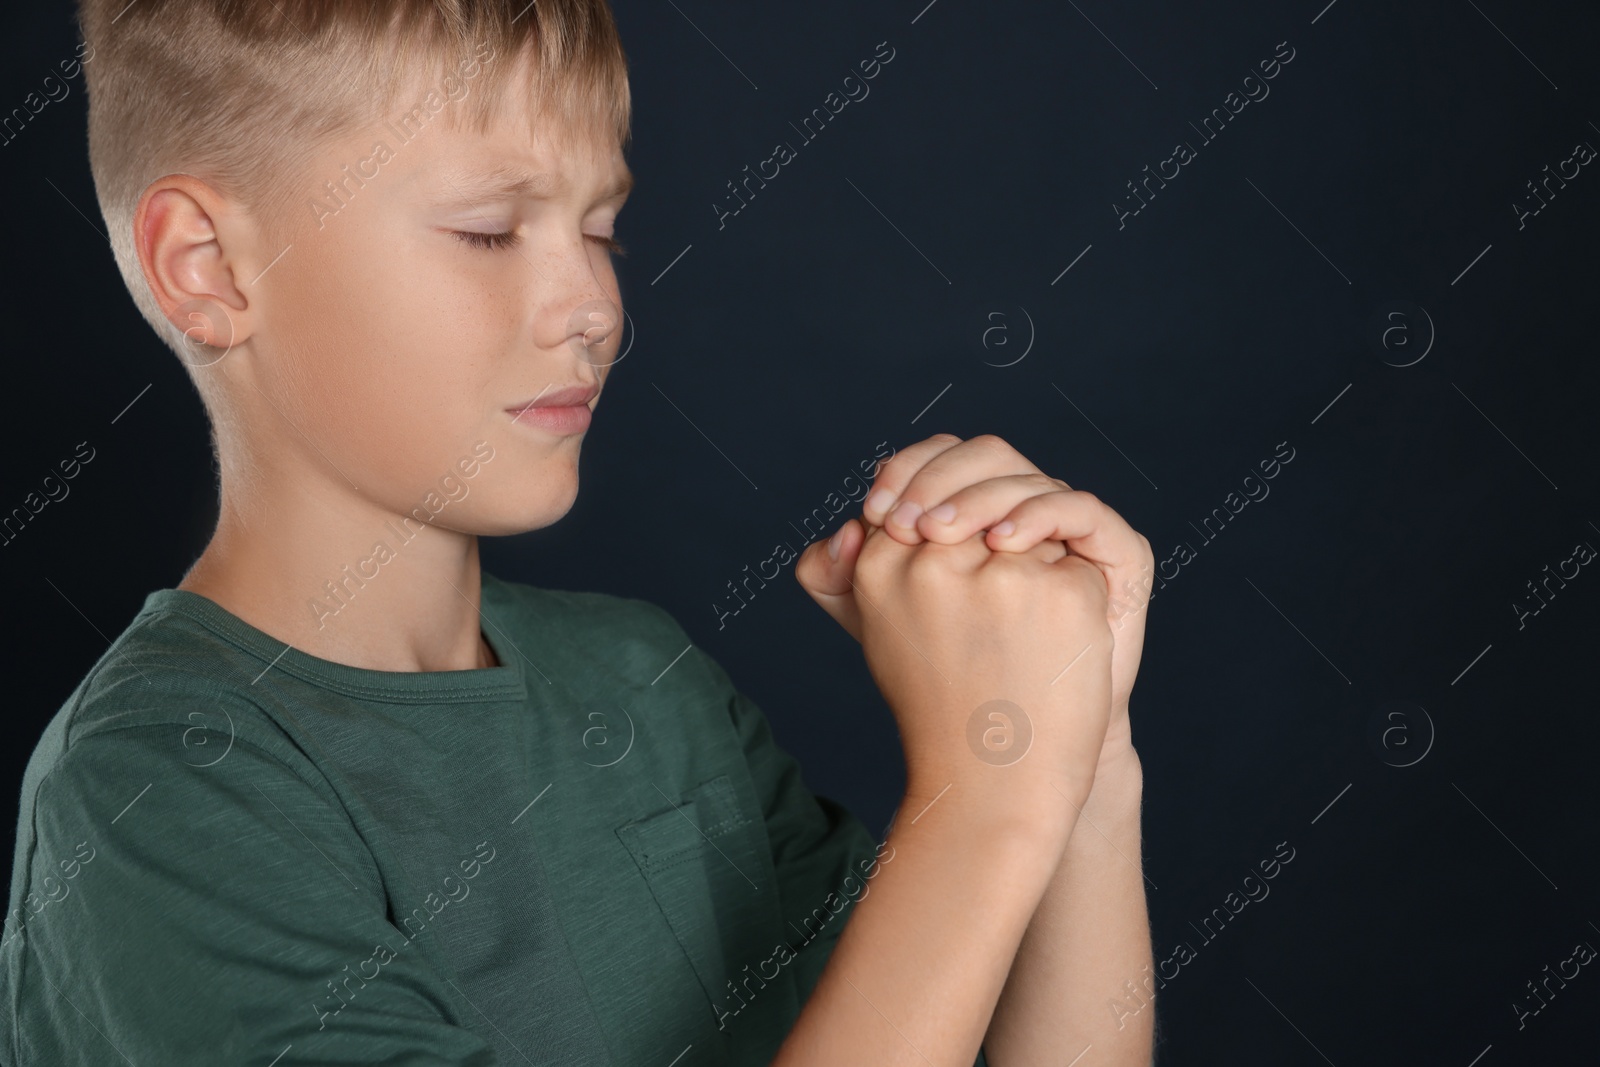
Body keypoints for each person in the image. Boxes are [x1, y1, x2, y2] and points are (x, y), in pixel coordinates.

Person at [1, 2, 1158, 1063]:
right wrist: (983, 803)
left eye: (601, 228)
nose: (595, 308)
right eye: (490, 231)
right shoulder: (156, 792)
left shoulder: (645, 681)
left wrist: (1080, 757)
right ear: (208, 267)